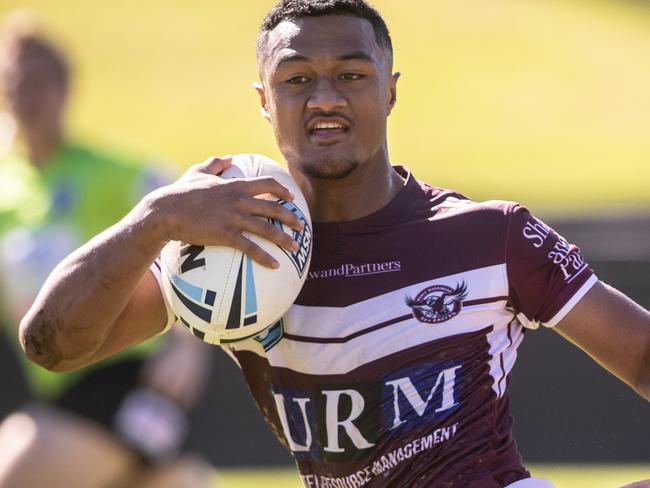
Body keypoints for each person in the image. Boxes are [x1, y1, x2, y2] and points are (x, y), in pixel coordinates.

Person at [16, 1, 650, 487]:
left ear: (391, 90)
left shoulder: (491, 234)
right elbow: (55, 345)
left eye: (351, 74)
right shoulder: (236, 247)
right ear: (264, 101)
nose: (324, 99)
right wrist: (152, 221)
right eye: (295, 80)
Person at [0, 15, 213, 488]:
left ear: (65, 89)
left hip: (129, 377)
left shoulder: (119, 172)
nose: (26, 97)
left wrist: (188, 350)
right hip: (61, 384)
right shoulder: (5, 191)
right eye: (14, 84)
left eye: (38, 83)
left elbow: (194, 243)